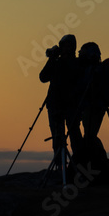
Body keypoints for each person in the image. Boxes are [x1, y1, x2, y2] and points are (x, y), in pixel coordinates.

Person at [74, 42, 109, 180]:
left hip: (95, 106)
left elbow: (99, 89)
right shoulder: (85, 69)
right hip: (89, 106)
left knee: (90, 136)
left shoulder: (98, 70)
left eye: (82, 52)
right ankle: (97, 168)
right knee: (89, 136)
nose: (79, 55)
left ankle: (100, 168)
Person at [39, 34, 80, 164]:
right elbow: (43, 77)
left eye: (68, 46)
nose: (65, 49)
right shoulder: (56, 62)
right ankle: (59, 167)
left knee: (74, 134)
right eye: (63, 46)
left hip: (71, 105)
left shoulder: (77, 63)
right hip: (55, 104)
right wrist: (52, 59)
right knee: (57, 137)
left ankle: (78, 163)